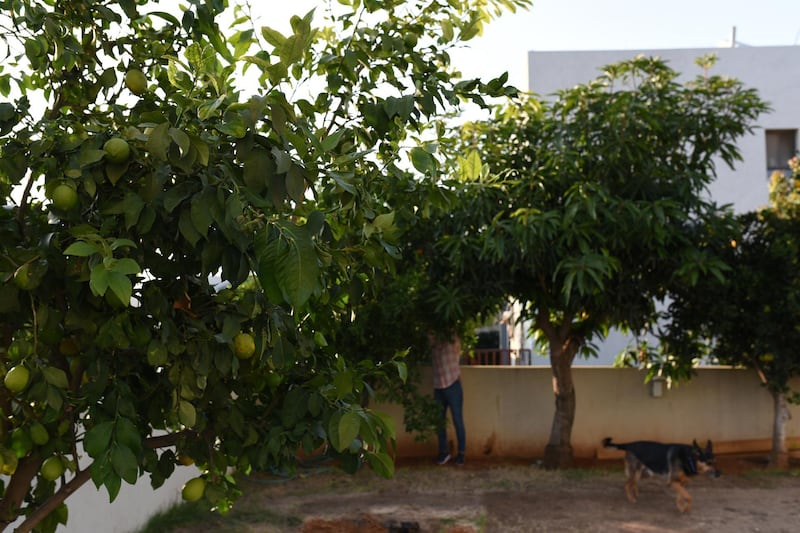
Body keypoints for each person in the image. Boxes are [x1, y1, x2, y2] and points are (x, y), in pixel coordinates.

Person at [430, 333, 465, 466]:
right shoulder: (433, 338)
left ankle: (461, 453)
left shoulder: (453, 336)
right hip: (438, 385)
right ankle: (443, 452)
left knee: (457, 420)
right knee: (440, 422)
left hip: (453, 383)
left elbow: (455, 346)